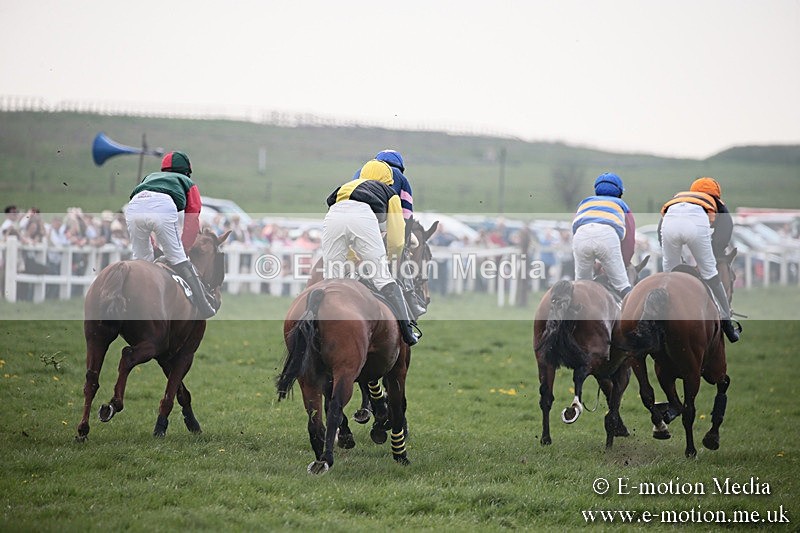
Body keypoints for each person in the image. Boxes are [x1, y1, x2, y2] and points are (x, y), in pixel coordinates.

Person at [323, 159, 418, 346]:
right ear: (388, 180)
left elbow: (339, 219)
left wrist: (353, 259)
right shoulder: (390, 193)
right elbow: (397, 240)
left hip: (333, 215)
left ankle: (311, 322)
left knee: (331, 281)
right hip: (362, 216)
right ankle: (408, 332)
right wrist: (391, 261)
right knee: (383, 278)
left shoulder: (345, 187)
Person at [125, 151, 217, 319]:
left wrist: (152, 245)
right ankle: (204, 305)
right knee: (179, 259)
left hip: (133, 206)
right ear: (186, 171)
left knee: (141, 263)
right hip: (162, 206)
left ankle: (131, 306)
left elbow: (140, 208)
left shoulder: (149, 177)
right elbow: (192, 219)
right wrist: (184, 248)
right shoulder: (188, 182)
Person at [659, 177, 740, 342]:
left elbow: (661, 230)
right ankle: (727, 324)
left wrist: (679, 261)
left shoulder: (679, 198)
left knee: (669, 277)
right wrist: (710, 258)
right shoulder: (717, 204)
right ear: (716, 195)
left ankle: (658, 321)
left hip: (669, 222)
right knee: (711, 274)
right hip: (695, 224)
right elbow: (723, 236)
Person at [571, 172, 636, 300]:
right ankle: (632, 310)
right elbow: (629, 240)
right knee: (623, 286)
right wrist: (624, 262)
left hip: (581, 236)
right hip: (607, 236)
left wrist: (592, 260)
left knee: (581, 286)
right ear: (619, 192)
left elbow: (576, 229)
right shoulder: (621, 204)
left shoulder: (585, 202)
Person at [353, 149, 414, 219]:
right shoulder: (400, 177)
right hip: (383, 218)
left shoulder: (360, 172)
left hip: (355, 215)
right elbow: (407, 211)